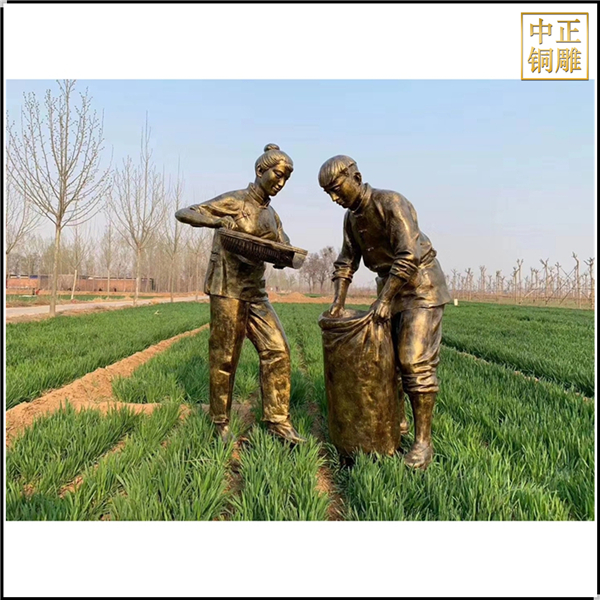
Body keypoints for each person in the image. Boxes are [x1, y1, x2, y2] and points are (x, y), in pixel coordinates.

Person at [318, 155, 451, 469]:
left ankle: (423, 443)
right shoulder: (351, 219)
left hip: (421, 287)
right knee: (388, 363)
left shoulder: (390, 203)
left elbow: (408, 255)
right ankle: (395, 423)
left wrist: (385, 300)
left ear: (356, 177)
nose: (335, 198)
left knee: (413, 360)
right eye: (329, 194)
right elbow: (346, 261)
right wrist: (338, 301)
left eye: (337, 188)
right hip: (389, 289)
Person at [175, 144, 305, 445]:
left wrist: (283, 255)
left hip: (256, 293)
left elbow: (283, 243)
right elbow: (185, 213)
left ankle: (277, 421)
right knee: (225, 356)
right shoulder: (235, 200)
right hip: (227, 289)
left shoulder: (272, 215)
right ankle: (219, 422)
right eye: (278, 175)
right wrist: (217, 221)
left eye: (286, 178)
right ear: (260, 170)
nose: (281, 183)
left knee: (278, 350)